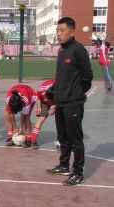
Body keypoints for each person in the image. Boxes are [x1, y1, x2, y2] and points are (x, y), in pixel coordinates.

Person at [45, 17, 93, 186]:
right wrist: (55, 90)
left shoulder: (79, 50)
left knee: (75, 139)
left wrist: (78, 93)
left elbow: (87, 77)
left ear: (72, 32)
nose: (58, 34)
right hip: (61, 101)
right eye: (57, 30)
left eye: (62, 30)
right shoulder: (62, 51)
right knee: (63, 137)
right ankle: (64, 165)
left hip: (73, 102)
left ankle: (78, 173)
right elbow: (62, 77)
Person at [23, 79, 56, 149]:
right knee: (41, 118)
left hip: (59, 102)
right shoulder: (42, 89)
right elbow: (39, 97)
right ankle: (33, 140)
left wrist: (55, 109)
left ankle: (63, 139)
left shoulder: (62, 89)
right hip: (44, 102)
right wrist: (39, 107)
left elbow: (65, 101)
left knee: (60, 119)